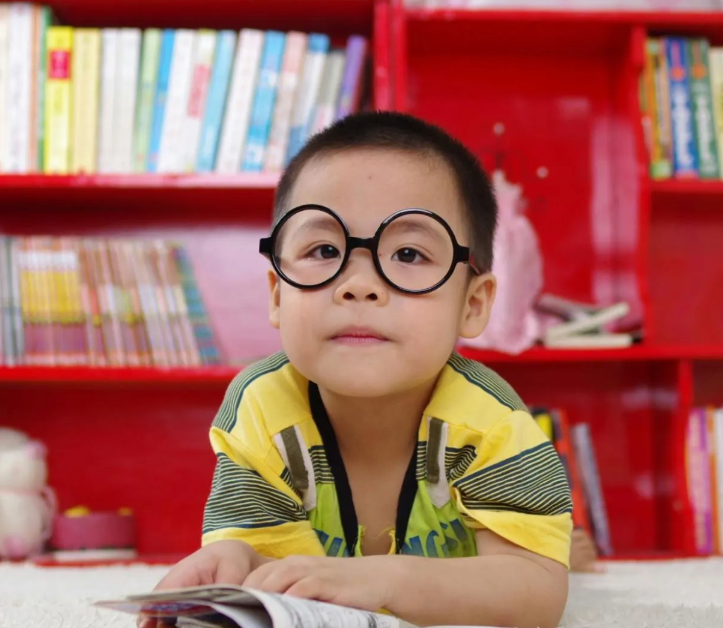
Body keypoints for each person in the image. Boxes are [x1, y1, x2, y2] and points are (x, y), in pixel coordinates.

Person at [148, 111, 573, 628]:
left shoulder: (491, 420)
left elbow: (536, 591)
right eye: (325, 250)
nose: (359, 285)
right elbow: (284, 575)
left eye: (409, 253)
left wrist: (382, 579)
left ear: (474, 304)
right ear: (277, 294)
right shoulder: (261, 409)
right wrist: (241, 563)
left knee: (557, 552)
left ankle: (570, 542)